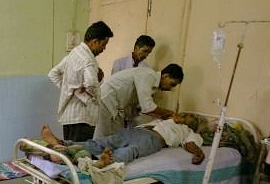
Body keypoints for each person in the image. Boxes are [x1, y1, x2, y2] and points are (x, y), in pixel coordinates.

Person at [39, 112, 205, 166]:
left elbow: (191, 144)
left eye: (188, 117)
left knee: (129, 151)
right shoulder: (166, 120)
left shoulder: (190, 132)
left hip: (153, 139)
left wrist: (198, 153)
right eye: (183, 114)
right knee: (104, 142)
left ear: (193, 124)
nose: (183, 116)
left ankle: (105, 163)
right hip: (137, 131)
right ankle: (63, 144)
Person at [48, 21, 114, 141]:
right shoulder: (88, 59)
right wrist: (87, 98)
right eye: (103, 44)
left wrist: (68, 90)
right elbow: (91, 84)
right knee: (80, 153)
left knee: (70, 152)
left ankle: (56, 145)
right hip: (82, 116)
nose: (104, 48)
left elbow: (53, 73)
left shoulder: (74, 54)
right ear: (94, 42)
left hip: (69, 115)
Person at [94, 63, 185, 138]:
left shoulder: (152, 86)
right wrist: (171, 113)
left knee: (116, 137)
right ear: (165, 76)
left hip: (117, 105)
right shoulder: (149, 75)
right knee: (101, 136)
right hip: (107, 99)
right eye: (172, 84)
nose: (170, 89)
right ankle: (89, 158)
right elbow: (147, 107)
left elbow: (140, 107)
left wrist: (162, 116)